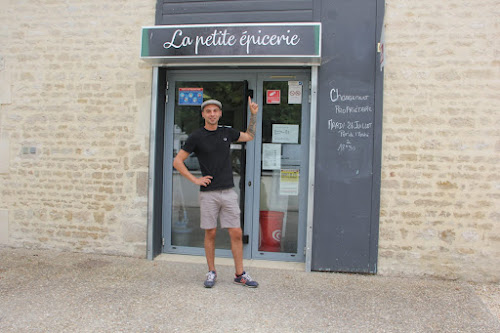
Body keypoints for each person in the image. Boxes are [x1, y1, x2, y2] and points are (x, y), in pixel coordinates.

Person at [173, 96, 259, 288]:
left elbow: (249, 136)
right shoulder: (196, 136)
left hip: (228, 191)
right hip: (208, 193)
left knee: (236, 232)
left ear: (220, 113)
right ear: (203, 114)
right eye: (208, 111)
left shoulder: (227, 132)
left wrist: (253, 116)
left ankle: (240, 274)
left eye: (215, 111)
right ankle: (211, 272)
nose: (212, 114)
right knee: (210, 232)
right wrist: (195, 179)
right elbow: (177, 161)